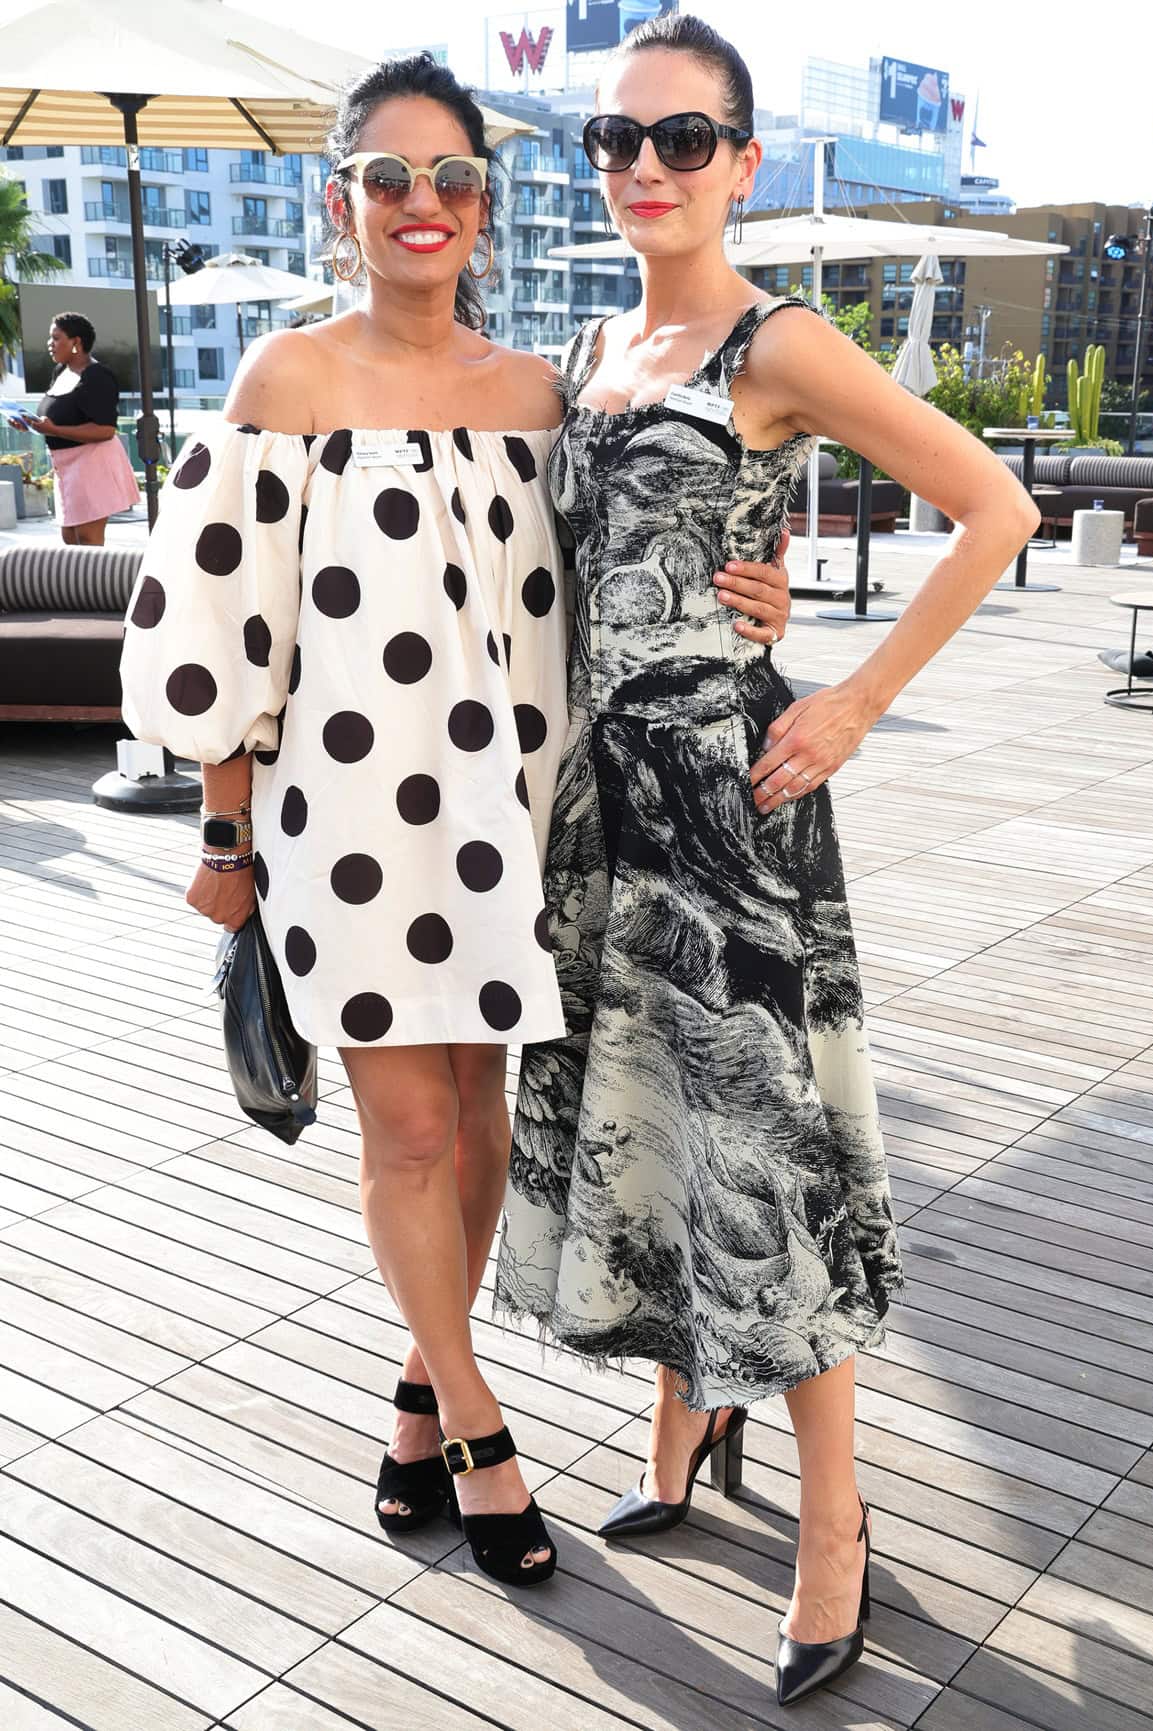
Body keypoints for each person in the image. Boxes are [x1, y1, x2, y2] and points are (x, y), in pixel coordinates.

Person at [118, 55, 792, 1591]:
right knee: (408, 1129)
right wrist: (224, 841)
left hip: (508, 817)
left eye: (454, 179)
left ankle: (420, 1392)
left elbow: (647, 550)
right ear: (340, 199)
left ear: (486, 204)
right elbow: (222, 631)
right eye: (388, 178)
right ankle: (483, 1425)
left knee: (482, 1122)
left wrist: (757, 590)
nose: (423, 206)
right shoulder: (284, 380)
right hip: (339, 824)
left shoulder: (536, 392)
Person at [494, 13, 1040, 1705]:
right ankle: (685, 1412)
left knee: (768, 1156)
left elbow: (993, 509)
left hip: (733, 805)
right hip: (598, 810)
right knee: (642, 1124)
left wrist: (861, 693)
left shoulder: (775, 342)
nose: (644, 168)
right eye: (617, 139)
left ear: (739, 162)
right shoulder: (589, 344)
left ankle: (836, 1526)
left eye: (682, 140)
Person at [16, 314, 140, 544]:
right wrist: (30, 425)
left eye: (56, 337)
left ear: (76, 342)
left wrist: (55, 430)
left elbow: (105, 430)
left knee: (87, 539)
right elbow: (58, 419)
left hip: (92, 464)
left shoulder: (97, 376)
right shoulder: (60, 372)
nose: (49, 343)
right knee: (69, 537)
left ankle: (98, 581)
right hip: (65, 466)